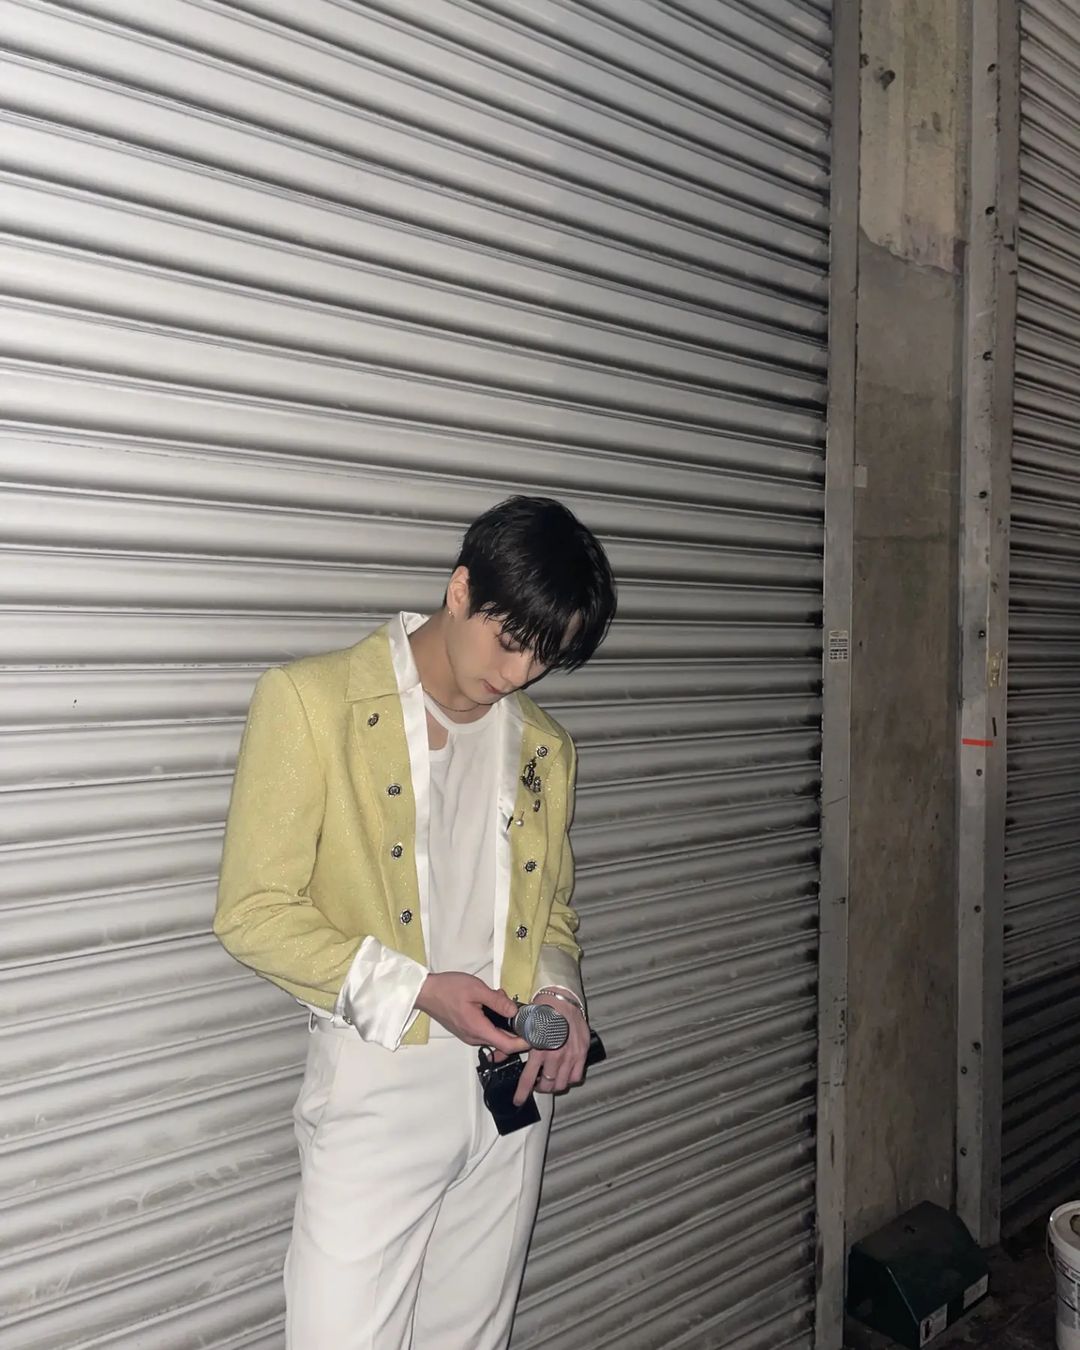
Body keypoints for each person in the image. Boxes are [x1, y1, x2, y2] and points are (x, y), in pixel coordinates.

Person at [214, 495, 617, 1349]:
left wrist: (560, 993)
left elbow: (552, 910)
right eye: (511, 641)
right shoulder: (313, 702)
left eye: (545, 656)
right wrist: (420, 989)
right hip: (381, 1075)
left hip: (510, 1090)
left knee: (471, 1338)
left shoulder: (544, 746)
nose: (519, 674)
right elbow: (252, 912)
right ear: (461, 590)